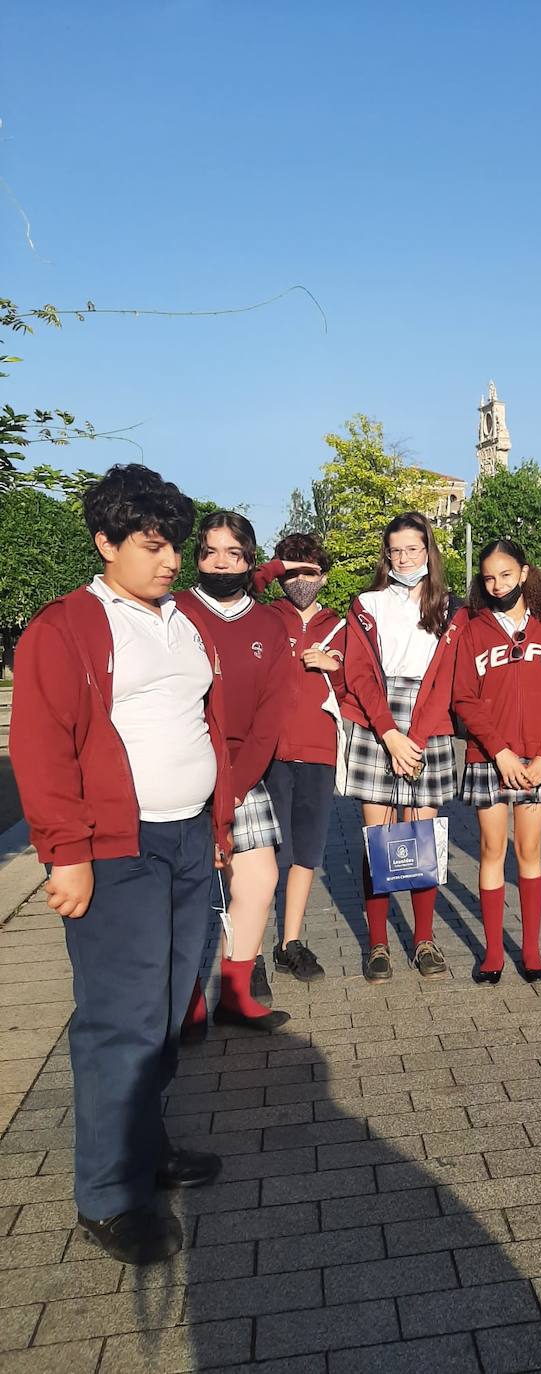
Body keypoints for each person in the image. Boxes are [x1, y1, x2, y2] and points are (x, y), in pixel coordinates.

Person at [9, 464, 233, 1264]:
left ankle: (148, 1147)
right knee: (121, 1020)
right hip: (116, 848)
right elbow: (39, 746)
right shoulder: (66, 626)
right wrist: (64, 855)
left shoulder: (182, 620)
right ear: (105, 542)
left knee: (169, 1008)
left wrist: (218, 821)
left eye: (174, 542)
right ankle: (107, 1194)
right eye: (150, 544)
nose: (170, 558)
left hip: (184, 839)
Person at [175, 511, 292, 1033]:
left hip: (244, 774)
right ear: (197, 557)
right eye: (210, 552)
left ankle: (236, 995)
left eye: (233, 553)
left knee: (259, 878)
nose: (220, 562)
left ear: (249, 559)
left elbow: (272, 713)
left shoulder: (269, 623)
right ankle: (184, 1000)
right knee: (189, 887)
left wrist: (239, 785)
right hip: (183, 768)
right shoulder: (174, 611)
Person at [340, 512, 467, 983]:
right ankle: (377, 944)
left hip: (428, 723)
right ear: (386, 554)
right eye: (395, 550)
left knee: (421, 839)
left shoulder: (451, 609)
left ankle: (424, 939)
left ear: (428, 551)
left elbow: (448, 680)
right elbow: (359, 674)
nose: (404, 558)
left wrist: (415, 737)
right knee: (379, 842)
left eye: (413, 549)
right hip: (379, 724)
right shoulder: (366, 604)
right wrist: (390, 734)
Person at [452, 540, 541, 983]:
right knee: (490, 850)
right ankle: (493, 952)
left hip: (537, 759)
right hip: (489, 758)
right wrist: (499, 752)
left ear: (523, 573)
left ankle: (533, 950)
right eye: (488, 577)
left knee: (529, 851)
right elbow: (464, 698)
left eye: (505, 574)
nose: (497, 583)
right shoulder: (473, 630)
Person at [251, 534, 346, 982]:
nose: (302, 581)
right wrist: (273, 568)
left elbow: (361, 687)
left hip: (318, 752)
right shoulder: (264, 618)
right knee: (263, 855)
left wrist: (335, 667)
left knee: (305, 852)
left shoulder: (341, 627)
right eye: (293, 572)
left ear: (324, 576)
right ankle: (247, 951)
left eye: (310, 572)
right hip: (267, 754)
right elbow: (238, 590)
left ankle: (289, 941)